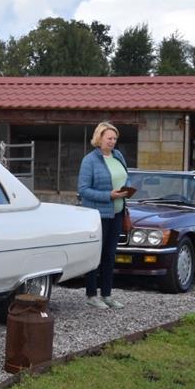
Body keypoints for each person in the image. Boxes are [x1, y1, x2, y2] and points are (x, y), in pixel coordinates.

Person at [77, 121, 130, 309]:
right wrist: (108, 195)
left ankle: (107, 294)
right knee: (96, 255)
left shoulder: (118, 156)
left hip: (117, 212)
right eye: (109, 138)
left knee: (110, 255)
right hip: (98, 215)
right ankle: (91, 294)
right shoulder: (89, 160)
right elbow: (83, 190)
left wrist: (126, 191)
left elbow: (124, 178)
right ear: (99, 139)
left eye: (115, 138)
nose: (112, 142)